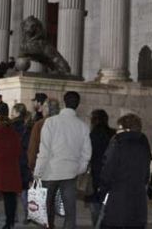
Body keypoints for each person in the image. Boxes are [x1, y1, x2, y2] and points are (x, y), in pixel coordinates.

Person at [34, 91, 92, 229]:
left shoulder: (51, 122)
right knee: (70, 211)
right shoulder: (82, 126)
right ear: (77, 105)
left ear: (64, 103)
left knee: (46, 209)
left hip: (50, 172)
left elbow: (44, 150)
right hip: (70, 172)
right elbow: (86, 153)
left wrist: (38, 171)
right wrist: (79, 169)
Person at [99, 113, 152, 229]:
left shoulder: (117, 144)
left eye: (119, 129)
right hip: (138, 203)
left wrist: (102, 188)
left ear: (126, 129)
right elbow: (146, 176)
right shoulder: (144, 146)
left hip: (117, 202)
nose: (117, 132)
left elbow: (107, 171)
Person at [87, 109, 116, 224]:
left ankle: (97, 225)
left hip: (95, 174)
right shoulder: (113, 134)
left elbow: (88, 154)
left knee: (95, 205)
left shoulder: (92, 135)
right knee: (109, 205)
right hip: (111, 174)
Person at [10, 103, 32, 223]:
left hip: (12, 161)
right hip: (24, 161)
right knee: (24, 190)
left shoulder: (11, 126)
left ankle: (13, 216)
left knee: (13, 191)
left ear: (18, 113)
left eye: (13, 111)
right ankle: (27, 214)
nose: (11, 114)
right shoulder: (28, 127)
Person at [27, 98, 60, 172]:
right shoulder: (63, 124)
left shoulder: (40, 124)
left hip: (45, 168)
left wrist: (32, 166)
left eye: (44, 107)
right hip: (62, 167)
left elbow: (33, 147)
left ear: (48, 109)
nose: (42, 109)